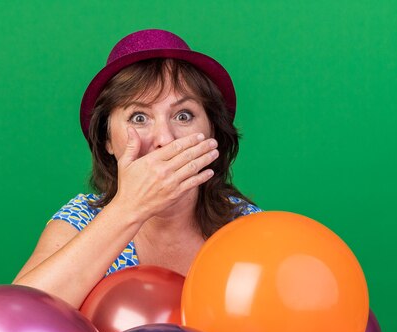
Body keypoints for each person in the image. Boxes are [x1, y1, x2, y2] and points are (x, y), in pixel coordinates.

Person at [14, 29, 262, 309]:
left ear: (211, 131)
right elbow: (14, 319)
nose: (165, 139)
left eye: (184, 115)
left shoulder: (245, 227)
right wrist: (129, 208)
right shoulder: (80, 220)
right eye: (139, 117)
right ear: (107, 139)